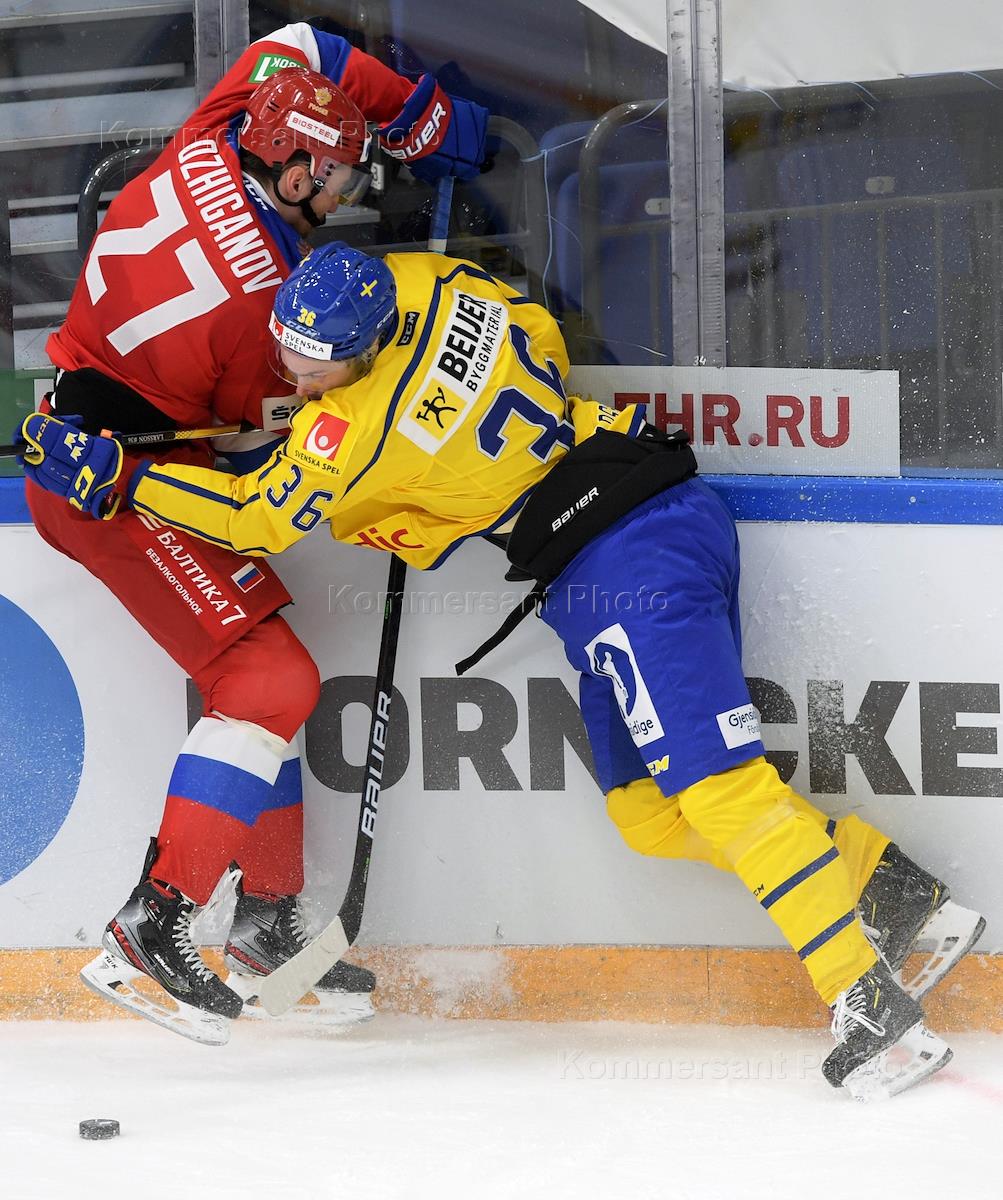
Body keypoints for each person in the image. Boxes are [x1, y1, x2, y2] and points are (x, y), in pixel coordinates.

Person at [20, 243, 985, 1098]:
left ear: (364, 348)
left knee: (721, 791)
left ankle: (869, 1003)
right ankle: (891, 892)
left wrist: (125, 477)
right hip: (631, 532)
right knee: (650, 816)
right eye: (287, 348)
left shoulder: (353, 428)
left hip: (630, 560)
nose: (295, 373)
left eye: (315, 363)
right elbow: (537, 336)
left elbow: (254, 518)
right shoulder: (424, 281)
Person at [24, 23, 489, 1044]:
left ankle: (267, 919)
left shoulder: (217, 128)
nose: (347, 193)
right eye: (337, 177)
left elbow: (298, 43)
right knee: (270, 680)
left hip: (106, 436)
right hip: (116, 483)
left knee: (261, 680)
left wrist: (396, 112)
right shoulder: (258, 311)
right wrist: (424, 115)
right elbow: (273, 443)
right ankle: (156, 919)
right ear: (290, 167)